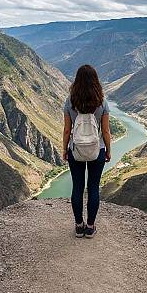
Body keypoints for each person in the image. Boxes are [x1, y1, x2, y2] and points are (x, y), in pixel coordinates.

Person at [63, 64, 111, 238]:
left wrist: (64, 149)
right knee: (93, 188)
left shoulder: (70, 101)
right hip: (96, 150)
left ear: (77, 81)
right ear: (95, 81)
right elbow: (105, 131)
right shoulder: (102, 102)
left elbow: (67, 130)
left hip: (75, 150)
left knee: (77, 187)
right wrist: (108, 150)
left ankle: (78, 226)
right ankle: (90, 227)